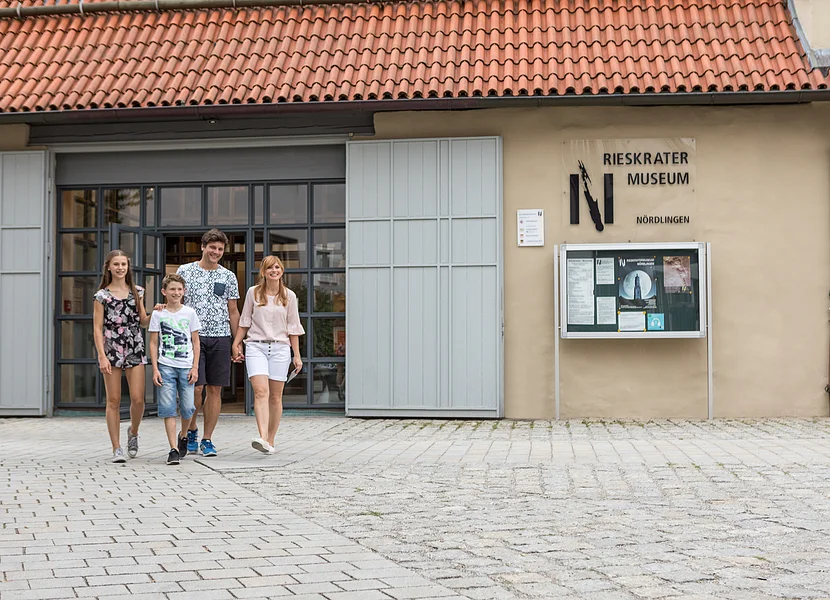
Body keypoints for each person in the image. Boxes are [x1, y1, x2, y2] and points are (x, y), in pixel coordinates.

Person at [173, 229, 240, 457]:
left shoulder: (228, 276)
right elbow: (175, 301)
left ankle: (207, 439)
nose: (216, 252)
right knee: (195, 387)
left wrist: (236, 342)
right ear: (203, 247)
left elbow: (233, 311)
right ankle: (191, 429)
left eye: (220, 249)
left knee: (215, 389)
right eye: (212, 247)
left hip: (221, 336)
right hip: (194, 337)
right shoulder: (185, 271)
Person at [232, 255, 304, 454]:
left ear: (282, 271)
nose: (274, 270)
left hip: (281, 349)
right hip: (256, 347)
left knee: (275, 397)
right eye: (270, 268)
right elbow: (245, 320)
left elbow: (293, 328)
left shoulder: (289, 296)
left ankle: (270, 439)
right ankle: (262, 437)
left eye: (277, 267)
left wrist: (296, 356)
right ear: (263, 272)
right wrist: (236, 343)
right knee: (261, 392)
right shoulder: (253, 293)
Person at [93, 249, 150, 463]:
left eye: (123, 264)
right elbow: (97, 329)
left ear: (128, 267)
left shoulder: (138, 291)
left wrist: (157, 312)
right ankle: (116, 448)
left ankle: (133, 432)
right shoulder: (102, 296)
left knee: (138, 398)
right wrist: (102, 356)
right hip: (111, 347)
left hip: (134, 345)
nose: (120, 268)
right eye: (116, 264)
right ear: (108, 267)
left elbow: (143, 320)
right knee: (114, 399)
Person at [148, 274, 201, 465]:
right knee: (168, 408)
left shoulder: (190, 313)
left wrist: (195, 367)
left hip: (186, 366)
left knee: (188, 408)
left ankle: (184, 435)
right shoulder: (158, 314)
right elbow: (153, 343)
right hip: (166, 365)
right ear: (164, 292)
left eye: (179, 289)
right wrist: (155, 369)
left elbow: (196, 342)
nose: (176, 293)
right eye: (172, 289)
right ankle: (173, 449)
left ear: (184, 291)